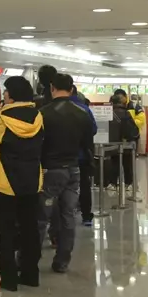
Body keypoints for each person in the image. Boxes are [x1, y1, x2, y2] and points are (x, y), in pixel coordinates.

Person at [0, 76, 44, 291]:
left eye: (6, 91)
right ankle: (30, 275)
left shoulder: (3, 118)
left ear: (12, 95)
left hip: (5, 180)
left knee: (6, 230)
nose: (4, 94)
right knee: (30, 228)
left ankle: (8, 280)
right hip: (32, 179)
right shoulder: (38, 117)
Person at [38, 74, 94, 273]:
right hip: (73, 169)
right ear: (71, 89)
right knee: (68, 215)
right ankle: (62, 260)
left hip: (50, 170)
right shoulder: (83, 113)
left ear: (52, 88)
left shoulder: (43, 113)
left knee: (42, 216)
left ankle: (30, 259)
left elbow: (39, 143)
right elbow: (88, 142)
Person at [71, 84, 98, 226]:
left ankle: (61, 219)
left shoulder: (51, 108)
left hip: (59, 157)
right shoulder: (84, 109)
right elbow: (93, 129)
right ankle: (86, 216)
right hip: (81, 155)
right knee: (84, 184)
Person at [113, 88, 144, 192]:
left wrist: (131, 123)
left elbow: (141, 120)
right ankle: (116, 182)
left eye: (122, 97)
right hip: (120, 138)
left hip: (129, 138)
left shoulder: (134, 106)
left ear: (125, 97)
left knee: (127, 162)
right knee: (117, 161)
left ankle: (128, 183)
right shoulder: (114, 108)